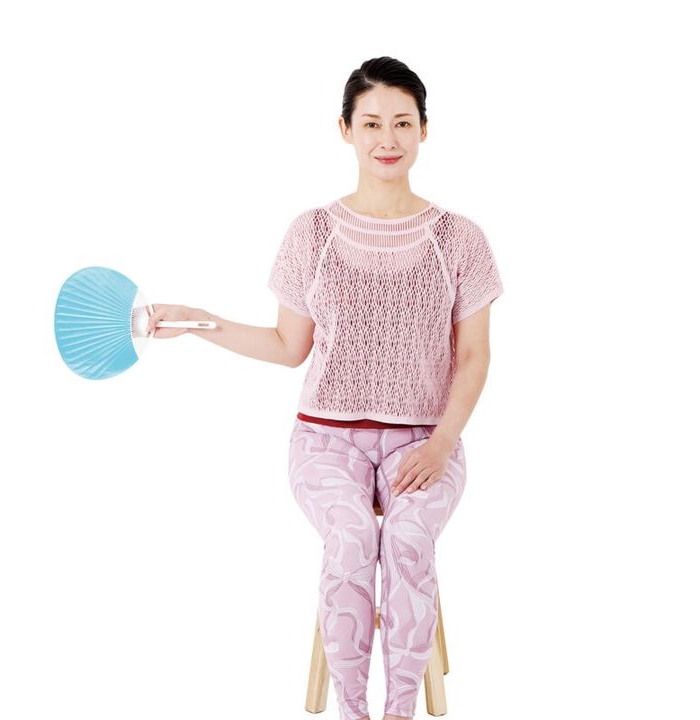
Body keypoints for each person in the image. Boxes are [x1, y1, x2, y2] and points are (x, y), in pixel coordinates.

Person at [146, 56, 504, 720]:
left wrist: (441, 444)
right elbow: (289, 347)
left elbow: (475, 356)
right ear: (345, 129)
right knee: (351, 539)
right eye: (371, 123)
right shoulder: (312, 232)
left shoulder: (460, 239)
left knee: (406, 539)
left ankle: (399, 709)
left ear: (425, 129)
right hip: (324, 442)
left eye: (403, 123)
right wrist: (198, 322)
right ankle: (352, 709)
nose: (387, 139)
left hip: (428, 439)